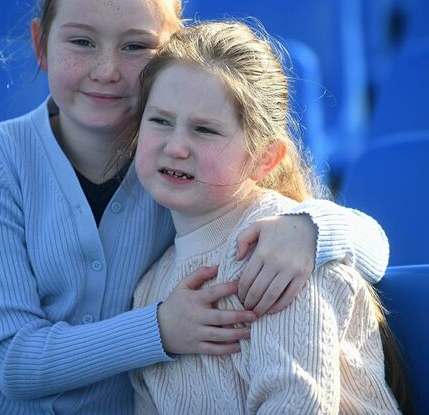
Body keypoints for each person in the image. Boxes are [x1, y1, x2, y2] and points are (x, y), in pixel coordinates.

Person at [0, 0, 390, 415]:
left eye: (136, 46)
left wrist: (313, 230)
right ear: (40, 44)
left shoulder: (184, 170)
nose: (106, 70)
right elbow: (13, 362)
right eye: (81, 41)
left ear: (170, 55)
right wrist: (158, 329)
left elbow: (368, 251)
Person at [129, 21, 407, 413]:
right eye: (159, 120)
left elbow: (298, 404)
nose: (176, 146)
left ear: (264, 159)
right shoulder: (149, 288)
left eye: (205, 130)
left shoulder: (278, 253)